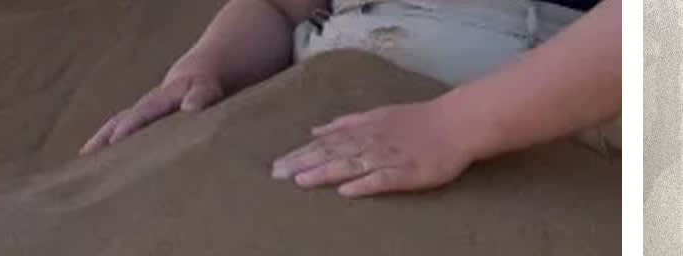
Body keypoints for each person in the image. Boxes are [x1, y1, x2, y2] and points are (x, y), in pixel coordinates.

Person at [80, 0, 619, 198]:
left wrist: (451, 127)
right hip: (318, 80)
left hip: (530, 103)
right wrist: (203, 68)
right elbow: (281, 8)